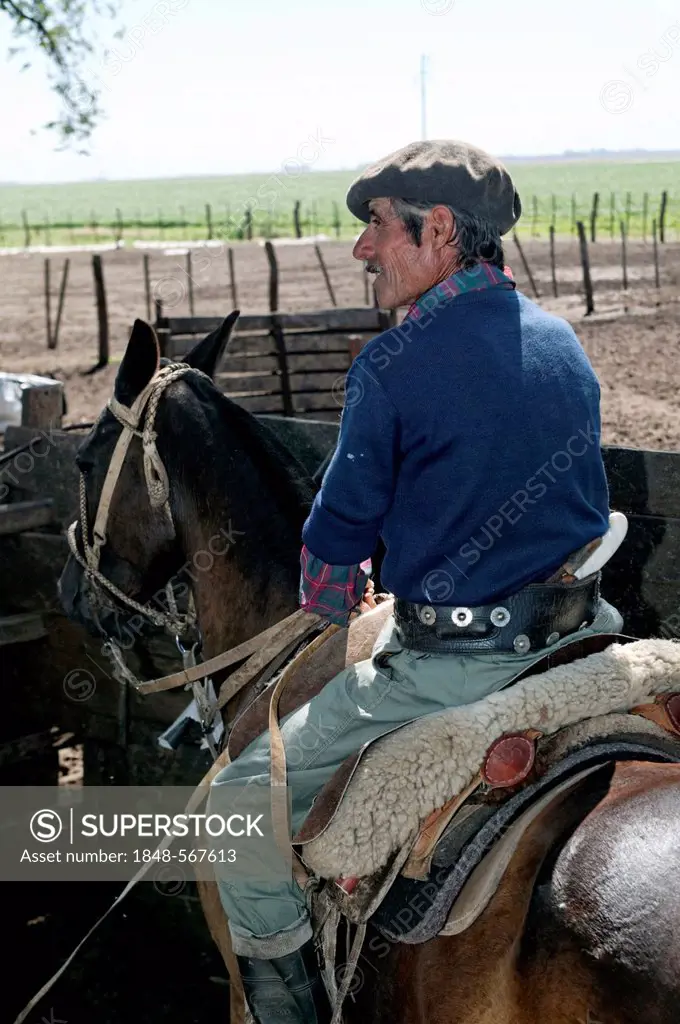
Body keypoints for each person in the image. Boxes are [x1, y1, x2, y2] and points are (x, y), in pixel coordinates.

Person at [208, 139, 623, 1024]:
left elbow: (338, 532)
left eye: (376, 228)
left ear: (438, 231)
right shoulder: (562, 344)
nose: (362, 250)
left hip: (459, 662)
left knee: (240, 801)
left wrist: (329, 594)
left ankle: (287, 1011)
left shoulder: (394, 364)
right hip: (583, 630)